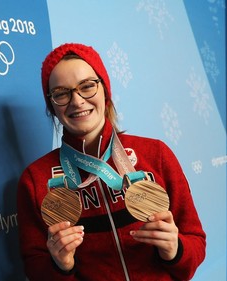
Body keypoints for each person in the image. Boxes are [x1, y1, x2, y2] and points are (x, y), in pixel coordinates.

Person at [17, 43, 206, 281]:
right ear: (52, 106)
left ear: (105, 90)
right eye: (61, 93)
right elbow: (35, 269)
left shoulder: (155, 154)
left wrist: (175, 250)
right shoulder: (36, 179)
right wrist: (60, 267)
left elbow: (195, 241)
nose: (76, 101)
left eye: (87, 86)